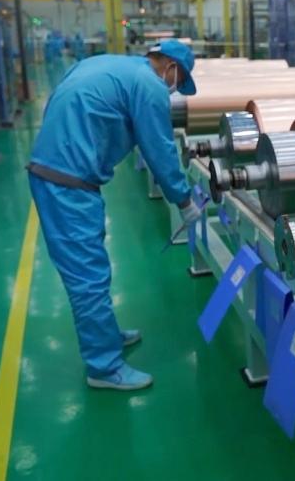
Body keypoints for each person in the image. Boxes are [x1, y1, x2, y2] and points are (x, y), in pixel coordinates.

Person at [27, 40, 206, 390]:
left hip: (61, 170)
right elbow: (159, 147)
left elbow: (60, 100)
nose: (175, 88)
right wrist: (184, 200)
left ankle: (106, 335)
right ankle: (104, 367)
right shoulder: (150, 85)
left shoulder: (110, 65)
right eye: (180, 79)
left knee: (92, 265)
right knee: (88, 277)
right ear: (170, 66)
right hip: (66, 183)